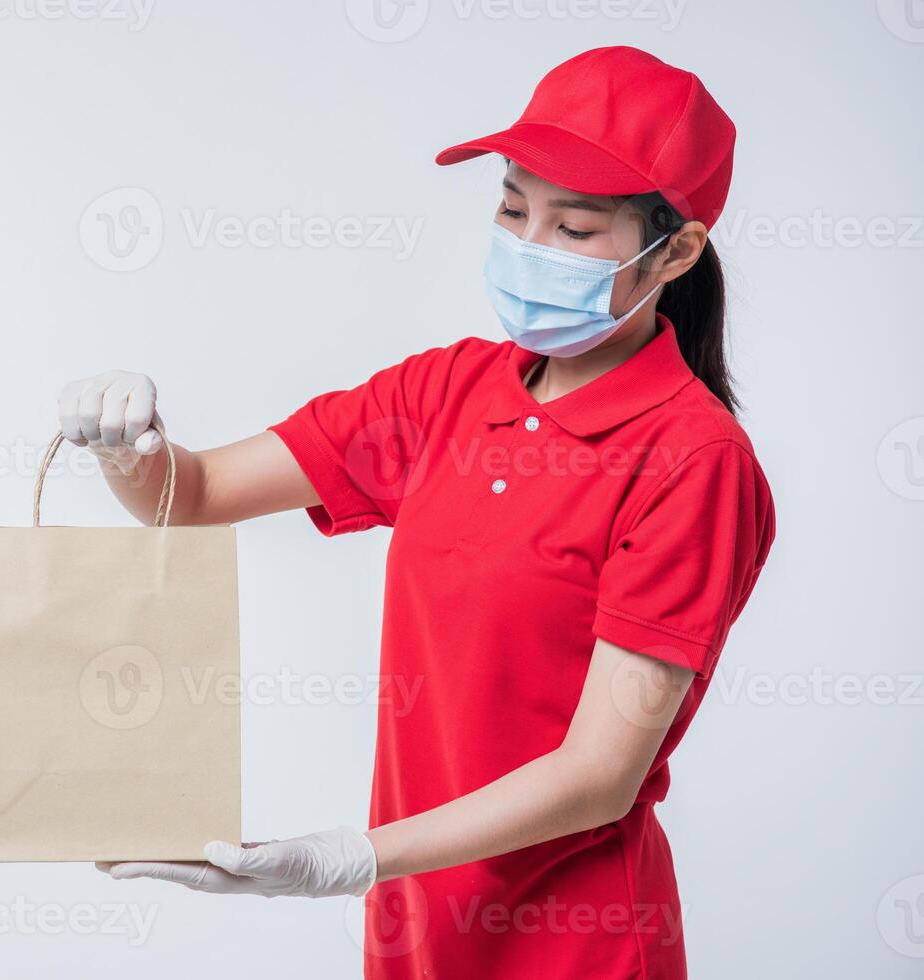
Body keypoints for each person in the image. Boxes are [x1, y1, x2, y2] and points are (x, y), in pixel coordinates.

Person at [61, 46, 775, 980]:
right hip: (416, 940)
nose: (528, 246)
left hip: (575, 950)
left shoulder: (693, 461)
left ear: (674, 251)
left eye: (576, 228)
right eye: (514, 209)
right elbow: (188, 499)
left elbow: (600, 777)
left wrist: (352, 858)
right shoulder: (445, 391)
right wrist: (133, 446)